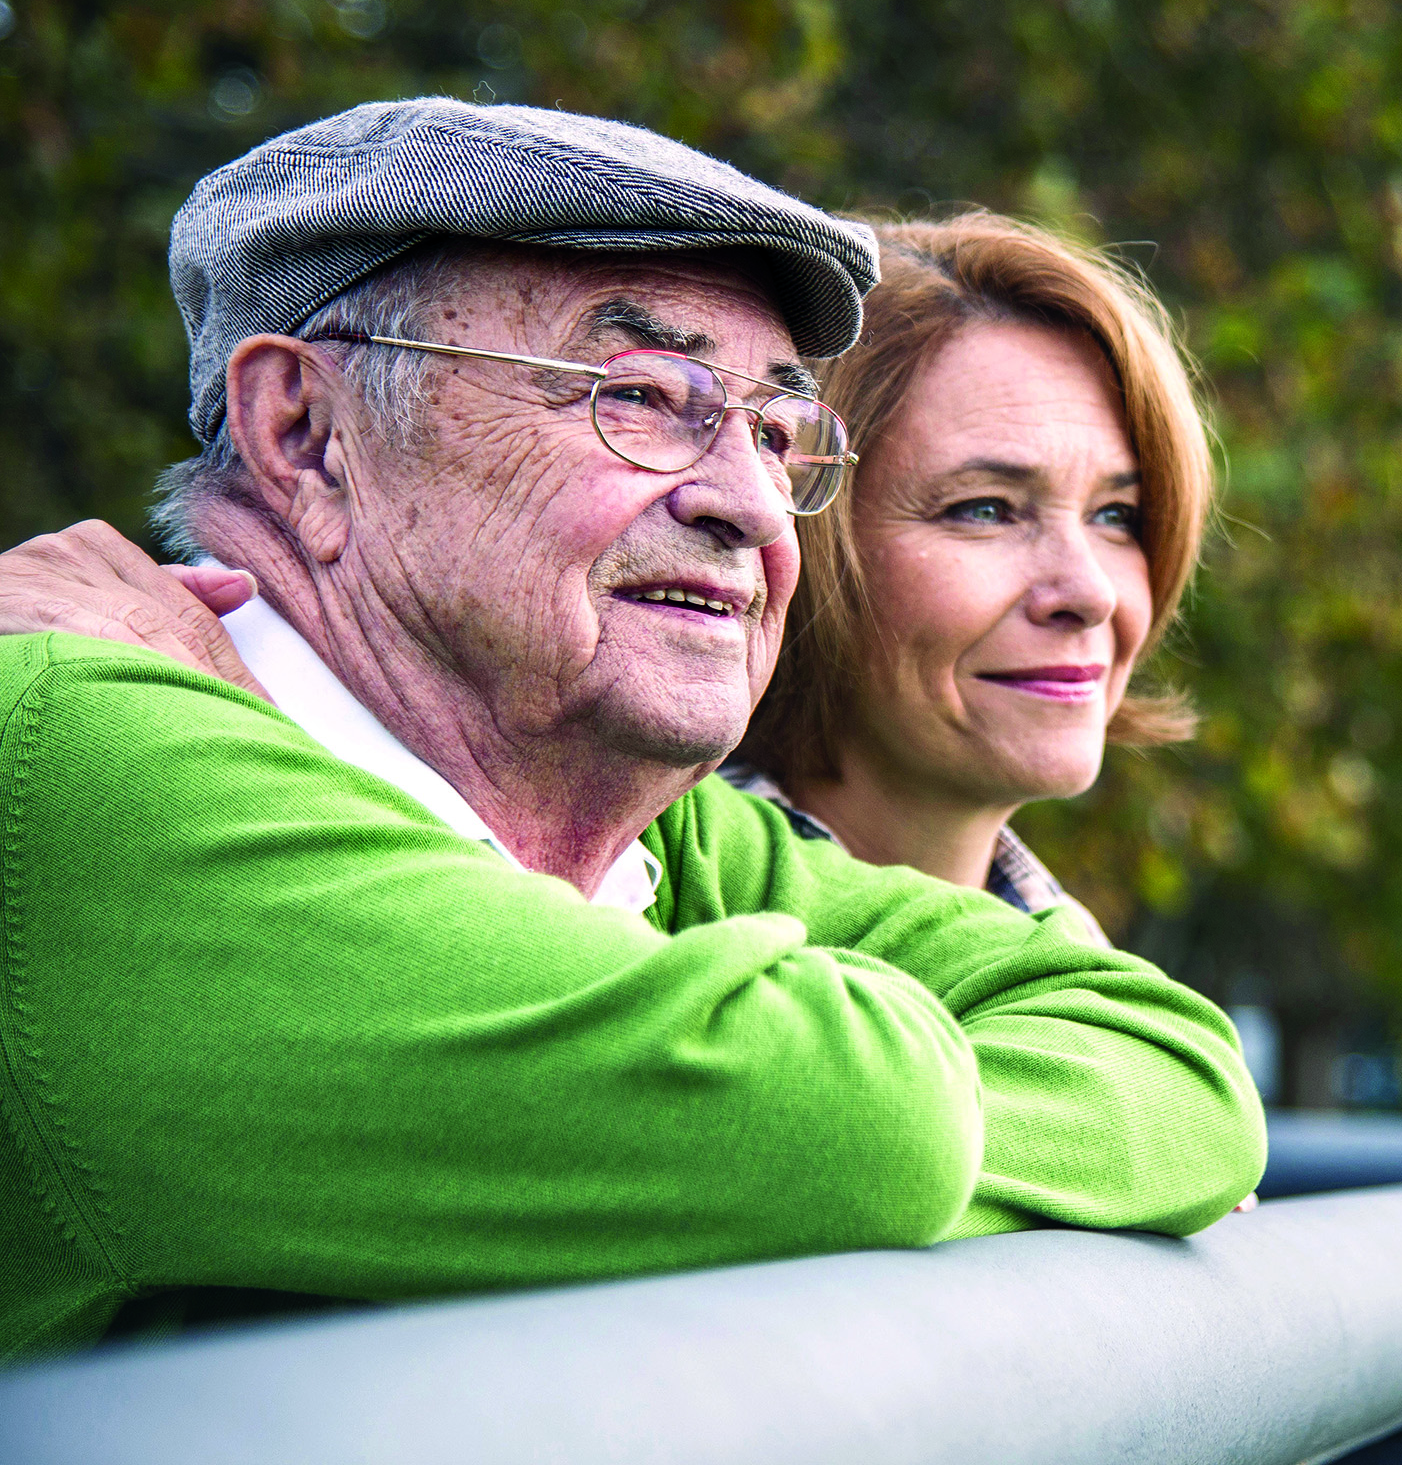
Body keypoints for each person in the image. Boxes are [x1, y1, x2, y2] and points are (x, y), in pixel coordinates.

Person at [0, 98, 1264, 1366]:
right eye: (642, 396)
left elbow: (1175, 1069)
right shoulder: (85, 764)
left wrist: (847, 1157)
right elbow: (850, 1129)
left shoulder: (671, 831)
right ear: (304, 432)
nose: (752, 507)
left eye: (776, 431)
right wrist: (864, 1152)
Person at [729, 213, 1209, 946]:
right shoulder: (628, 921)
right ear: (798, 524)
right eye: (985, 509)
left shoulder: (1094, 994)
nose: (1090, 594)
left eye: (1117, 515)